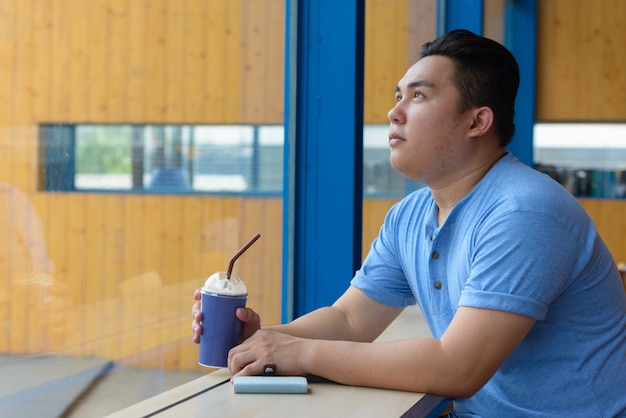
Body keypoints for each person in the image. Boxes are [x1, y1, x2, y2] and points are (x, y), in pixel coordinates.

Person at [191, 29, 626, 417]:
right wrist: (262, 339)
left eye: (418, 96)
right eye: (398, 96)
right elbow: (350, 321)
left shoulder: (523, 211)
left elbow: (458, 368)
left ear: (478, 120)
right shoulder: (411, 214)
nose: (394, 113)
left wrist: (300, 351)